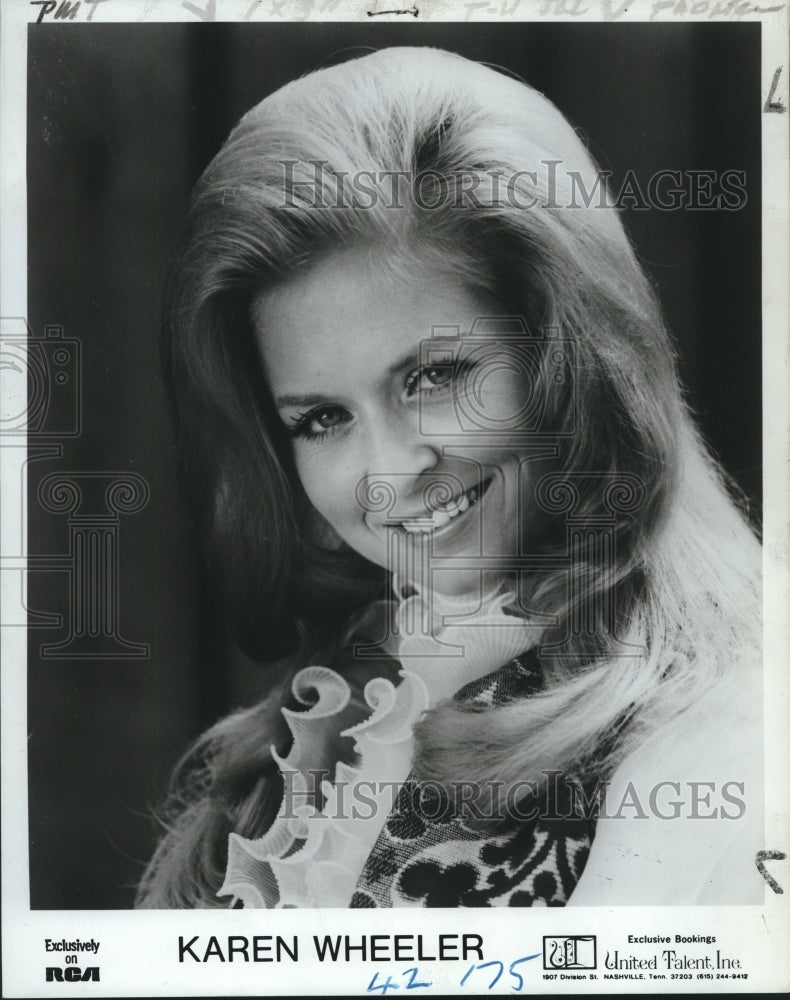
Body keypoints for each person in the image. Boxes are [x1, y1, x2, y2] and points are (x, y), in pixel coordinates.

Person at [137, 47, 762, 909]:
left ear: (568, 353)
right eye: (322, 419)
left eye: (434, 377)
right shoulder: (299, 736)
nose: (390, 473)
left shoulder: (737, 722)